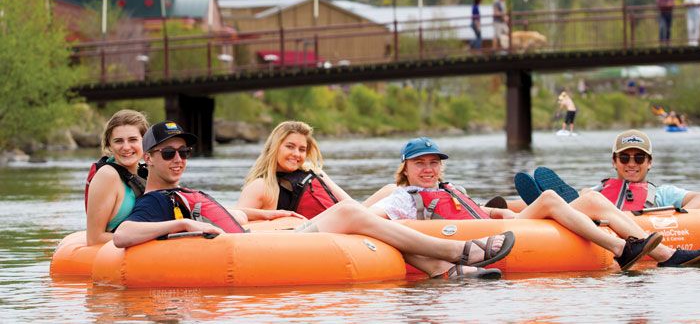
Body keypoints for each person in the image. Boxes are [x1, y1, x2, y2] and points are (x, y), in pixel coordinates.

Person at [114, 120, 517, 281]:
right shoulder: (157, 201)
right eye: (169, 153)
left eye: (184, 152)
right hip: (259, 251)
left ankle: (446, 271)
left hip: (261, 237)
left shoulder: (184, 193)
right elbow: (123, 235)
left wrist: (259, 214)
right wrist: (182, 225)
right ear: (148, 158)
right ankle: (458, 252)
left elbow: (231, 212)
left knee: (357, 213)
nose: (179, 160)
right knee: (348, 211)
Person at [366, 137, 700, 270]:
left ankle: (646, 251)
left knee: (591, 199)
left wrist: (502, 210)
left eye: (433, 163)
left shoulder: (452, 187)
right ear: (406, 169)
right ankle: (634, 250)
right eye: (420, 164)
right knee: (552, 197)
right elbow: (375, 220)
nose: (428, 170)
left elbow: (483, 212)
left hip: (498, 225)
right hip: (486, 239)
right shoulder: (402, 198)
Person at [590, 129, 700, 209]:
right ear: (614, 162)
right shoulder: (596, 193)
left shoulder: (663, 194)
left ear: (649, 162)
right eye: (624, 158)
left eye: (639, 158)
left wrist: (672, 220)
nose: (632, 164)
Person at [85, 110, 149, 246]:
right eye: (118, 141)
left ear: (145, 142)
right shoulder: (107, 175)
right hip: (116, 258)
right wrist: (152, 238)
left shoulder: (147, 174)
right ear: (109, 145)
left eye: (133, 140)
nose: (126, 147)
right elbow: (94, 239)